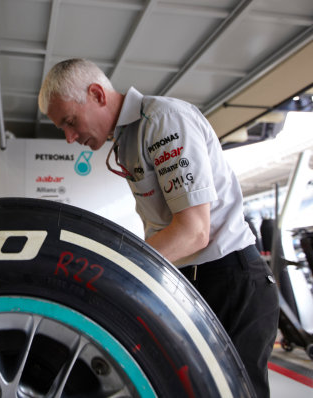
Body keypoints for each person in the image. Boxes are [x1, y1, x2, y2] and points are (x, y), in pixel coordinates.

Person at [38, 58, 279, 397]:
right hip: (198, 283)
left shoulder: (163, 121)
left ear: (96, 94)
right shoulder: (127, 139)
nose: (69, 137)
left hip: (231, 282)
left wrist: (111, 269)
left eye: (70, 121)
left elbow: (194, 231)